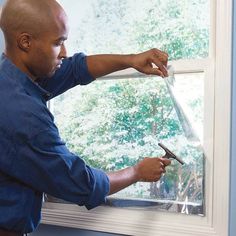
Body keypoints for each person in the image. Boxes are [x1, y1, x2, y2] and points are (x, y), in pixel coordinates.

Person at [0, 0, 171, 235]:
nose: (64, 52)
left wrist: (130, 60)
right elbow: (79, 183)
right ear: (26, 41)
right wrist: (136, 172)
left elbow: (75, 69)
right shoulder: (23, 115)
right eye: (58, 43)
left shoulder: (11, 76)